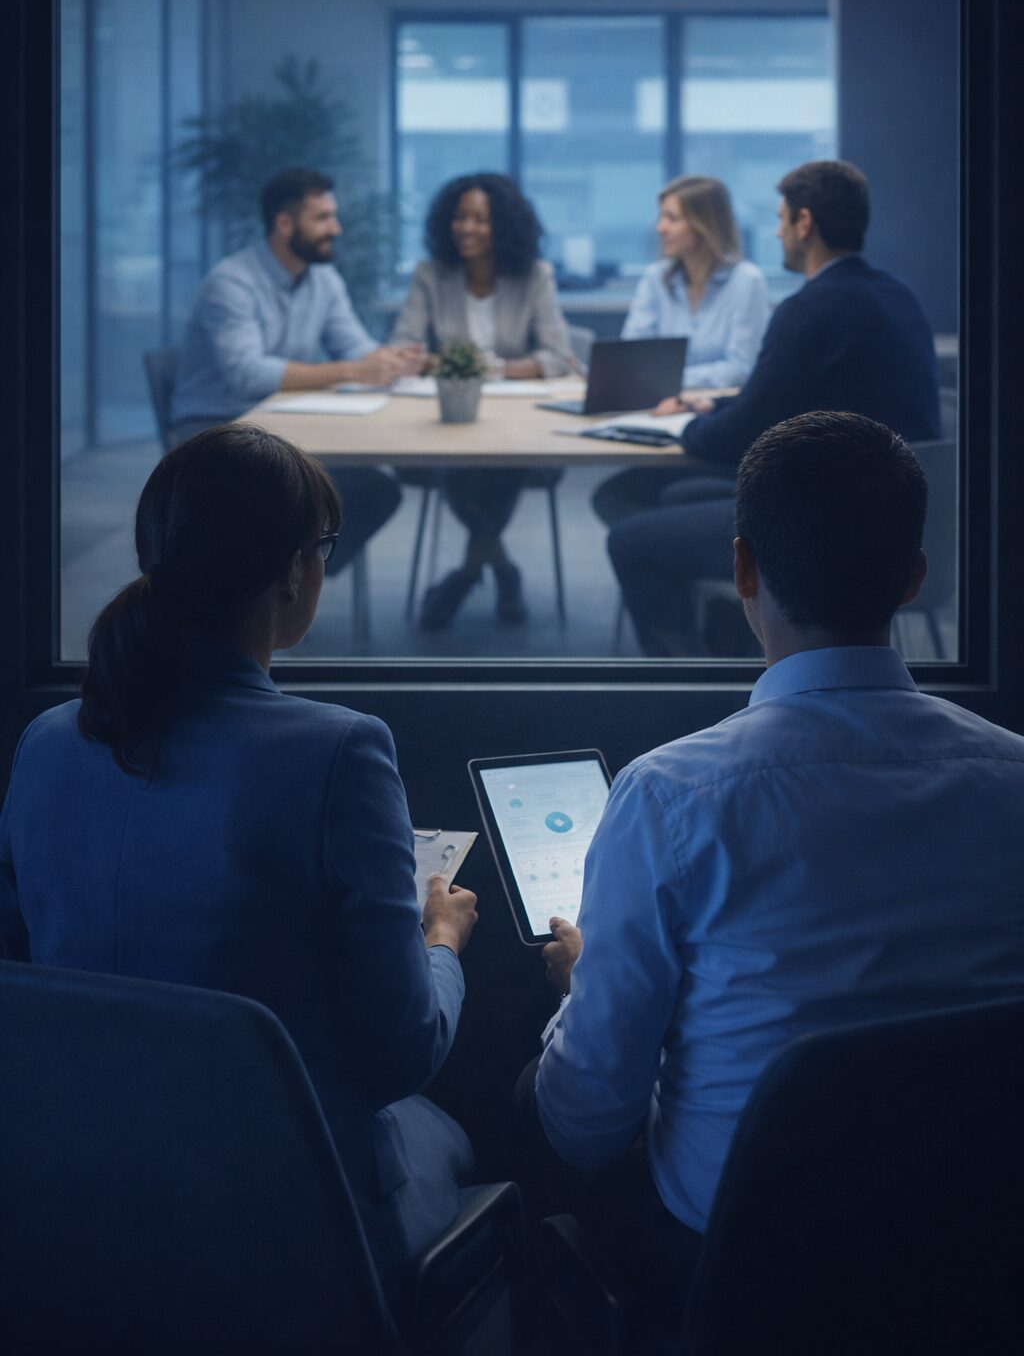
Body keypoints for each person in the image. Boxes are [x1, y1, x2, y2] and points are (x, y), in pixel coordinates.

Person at [520, 411, 1024, 1346]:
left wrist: (578, 991)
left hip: (747, 1273)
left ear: (744, 570)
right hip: (980, 1255)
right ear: (914, 580)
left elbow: (585, 1125)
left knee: (544, 1098)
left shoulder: (672, 797)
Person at [0, 424, 479, 1298]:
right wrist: (441, 943)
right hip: (292, 1219)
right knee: (446, 1128)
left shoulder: (45, 744)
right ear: (293, 572)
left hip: (75, 1198)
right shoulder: (338, 752)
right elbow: (402, 1054)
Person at [608, 160, 943, 655]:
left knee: (631, 539)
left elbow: (742, 430)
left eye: (782, 219)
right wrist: (718, 407)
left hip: (822, 527)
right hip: (890, 520)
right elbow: (779, 399)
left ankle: (687, 694)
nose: (778, 231)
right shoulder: (898, 296)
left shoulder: (809, 309)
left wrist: (684, 428)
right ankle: (733, 648)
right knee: (678, 494)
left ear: (804, 224)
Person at [171, 167, 424, 576]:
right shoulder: (231, 283)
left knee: (375, 489)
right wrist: (354, 370)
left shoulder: (323, 278)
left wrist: (391, 362)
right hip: (216, 428)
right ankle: (266, 590)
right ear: (284, 223)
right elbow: (247, 374)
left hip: (283, 427)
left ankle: (285, 586)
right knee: (296, 495)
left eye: (333, 216)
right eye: (322, 218)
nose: (336, 228)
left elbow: (354, 347)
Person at [391, 173, 574, 629]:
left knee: (498, 466)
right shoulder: (431, 275)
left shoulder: (534, 275)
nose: (466, 228)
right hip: (449, 421)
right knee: (459, 464)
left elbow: (557, 356)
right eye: (459, 217)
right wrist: (453, 364)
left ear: (504, 226)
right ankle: (503, 570)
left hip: (521, 429)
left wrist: (481, 367)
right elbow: (403, 348)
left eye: (480, 219)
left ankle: (466, 574)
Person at [592, 174, 770, 528]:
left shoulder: (746, 281)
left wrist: (669, 382)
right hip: (660, 416)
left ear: (704, 223)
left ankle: (664, 559)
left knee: (628, 500)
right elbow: (633, 356)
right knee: (612, 498)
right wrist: (664, 385)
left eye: (672, 218)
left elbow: (740, 368)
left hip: (715, 427)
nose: (660, 228)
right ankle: (666, 563)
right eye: (661, 217)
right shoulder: (657, 278)